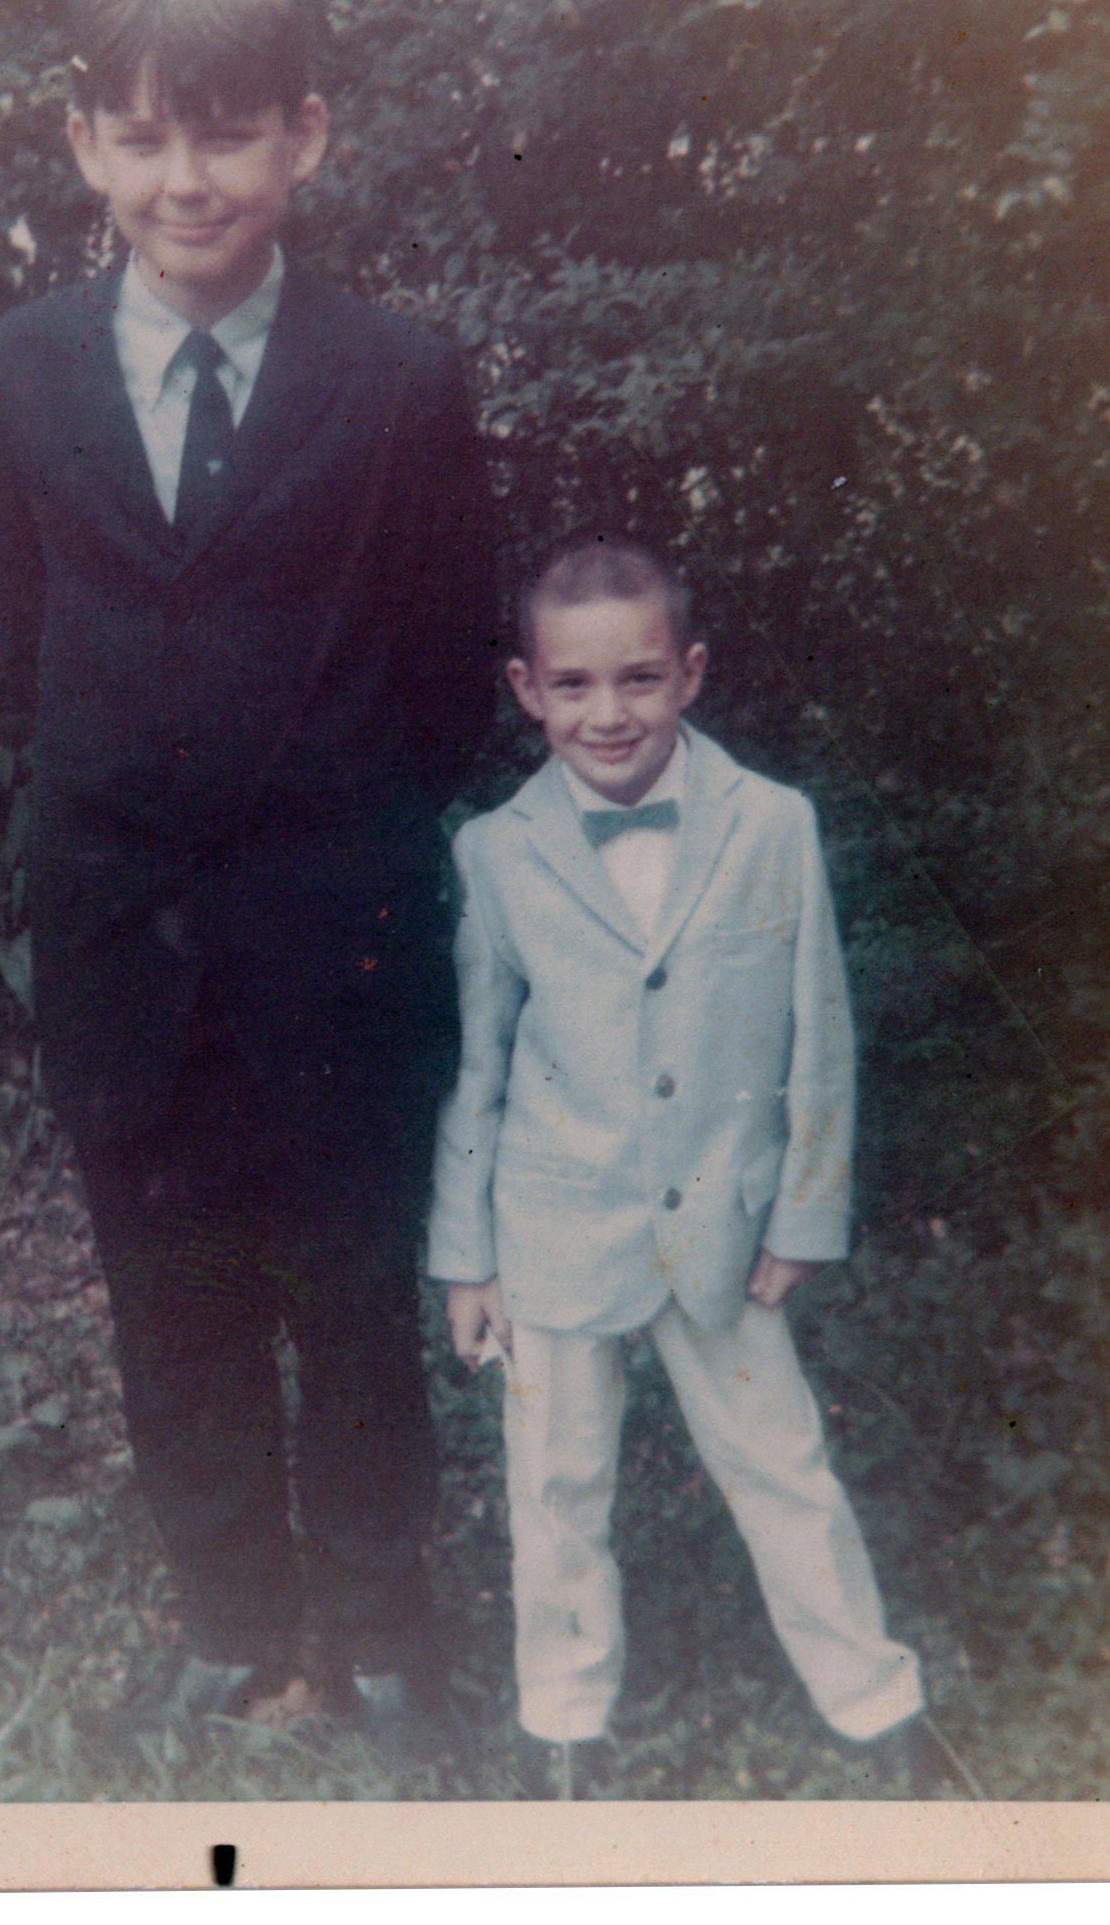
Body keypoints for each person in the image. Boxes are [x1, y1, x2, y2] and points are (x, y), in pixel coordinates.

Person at [0, 0, 495, 1734]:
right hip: (119, 930)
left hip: (337, 933)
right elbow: (4, 642)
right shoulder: (11, 373)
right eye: (140, 136)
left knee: (349, 1285)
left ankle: (381, 1621)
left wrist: (331, 830)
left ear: (303, 138)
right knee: (167, 1289)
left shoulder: (399, 378)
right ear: (83, 145)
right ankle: (229, 1615)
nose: (184, 178)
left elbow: (444, 668)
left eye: (226, 134)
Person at [429, 534, 933, 1798]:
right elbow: (475, 1068)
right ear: (526, 689)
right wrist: (465, 1256)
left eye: (639, 679)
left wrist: (802, 1213)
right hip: (555, 1228)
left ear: (690, 673)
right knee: (555, 1485)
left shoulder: (770, 825)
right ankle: (563, 1716)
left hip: (722, 1223)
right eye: (574, 685)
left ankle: (873, 1702)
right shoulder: (495, 852)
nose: (608, 714)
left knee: (782, 1466)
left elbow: (817, 1033)